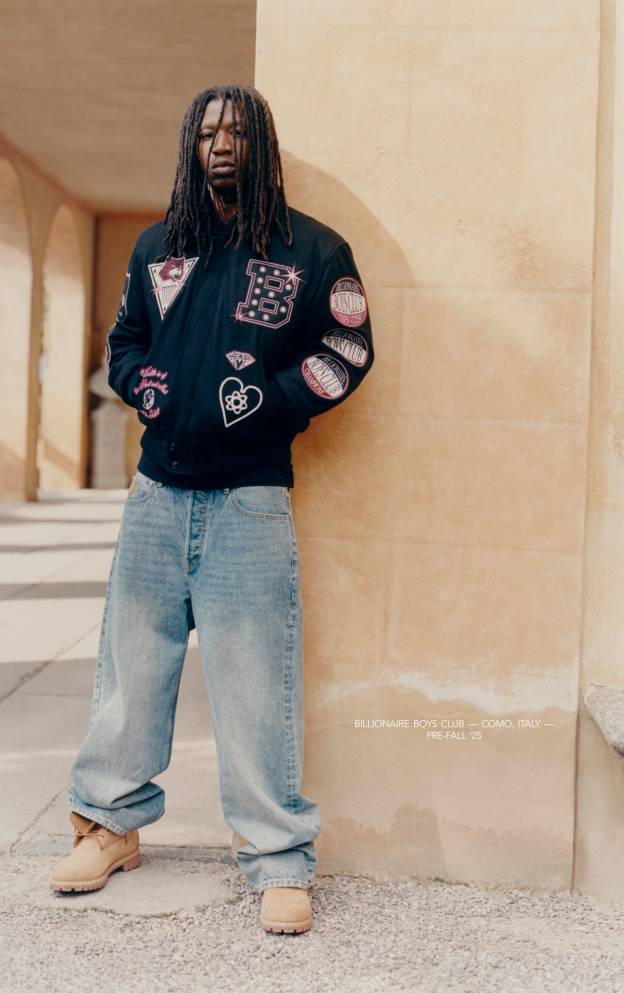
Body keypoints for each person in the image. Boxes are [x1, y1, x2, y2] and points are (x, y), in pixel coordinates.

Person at [50, 83, 375, 934]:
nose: (221, 144)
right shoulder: (159, 246)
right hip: (156, 496)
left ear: (262, 142)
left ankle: (278, 860)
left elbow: (348, 347)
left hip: (250, 501)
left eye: (237, 131)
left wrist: (268, 401)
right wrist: (147, 388)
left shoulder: (312, 250)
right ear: (190, 148)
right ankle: (108, 826)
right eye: (206, 132)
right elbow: (124, 344)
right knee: (132, 671)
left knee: (255, 683)